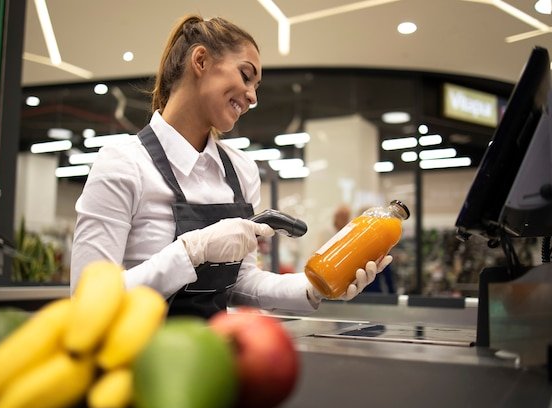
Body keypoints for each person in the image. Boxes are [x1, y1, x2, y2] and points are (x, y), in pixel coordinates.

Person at [70, 14, 391, 318]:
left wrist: (315, 288)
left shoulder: (241, 169)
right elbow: (88, 303)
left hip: (215, 359)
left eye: (256, 87)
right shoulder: (123, 163)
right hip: (135, 364)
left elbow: (242, 282)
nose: (252, 97)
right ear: (201, 61)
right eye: (246, 75)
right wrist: (193, 250)